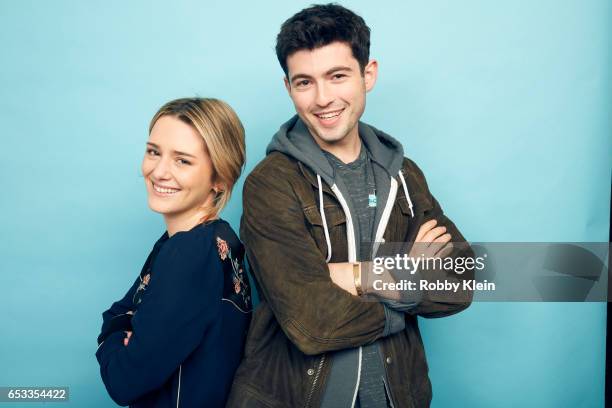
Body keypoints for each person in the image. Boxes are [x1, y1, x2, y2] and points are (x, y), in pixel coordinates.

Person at [226, 4, 474, 408]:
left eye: (337, 76)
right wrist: (405, 281)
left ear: (368, 74)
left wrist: (343, 277)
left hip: (398, 395)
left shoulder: (404, 175)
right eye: (304, 82)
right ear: (288, 88)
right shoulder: (271, 184)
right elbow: (311, 322)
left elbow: (461, 279)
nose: (322, 99)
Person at [96, 98, 252, 407]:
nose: (159, 172)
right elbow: (118, 313)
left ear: (220, 178)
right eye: (154, 152)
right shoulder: (218, 239)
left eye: (182, 160)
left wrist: (118, 334)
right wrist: (125, 323)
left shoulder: (188, 253)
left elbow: (124, 380)